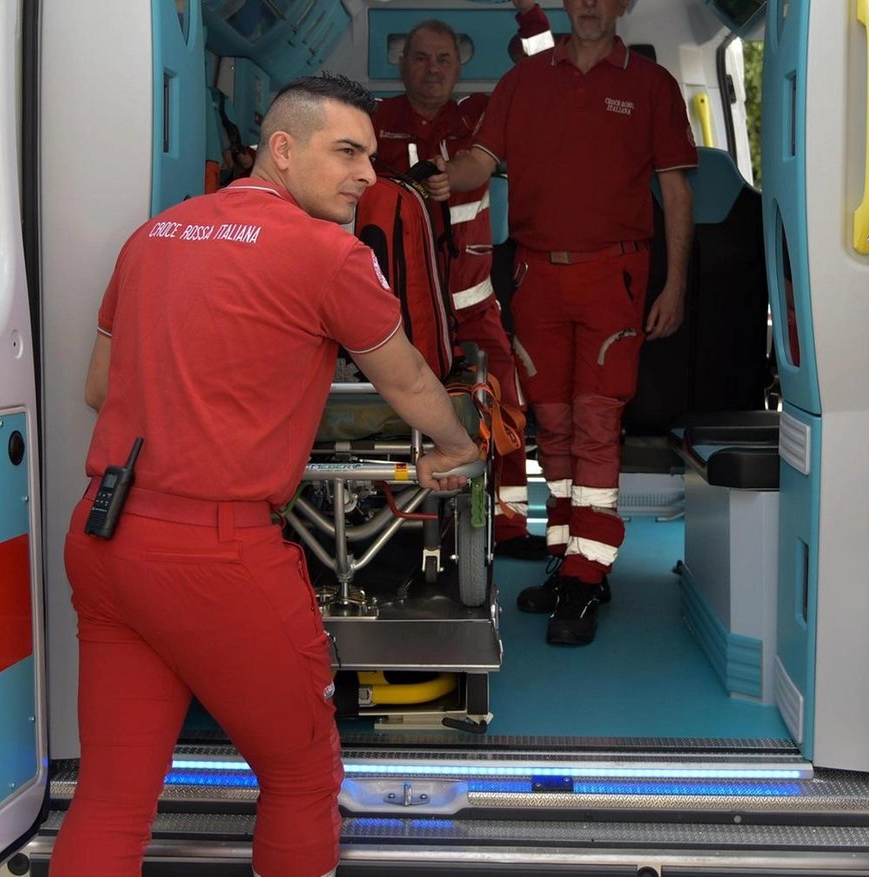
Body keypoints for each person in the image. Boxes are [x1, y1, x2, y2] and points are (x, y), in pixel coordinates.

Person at [55, 72, 481, 877]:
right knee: (302, 774)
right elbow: (410, 383)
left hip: (107, 539)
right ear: (281, 149)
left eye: (373, 156)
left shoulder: (155, 235)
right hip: (216, 559)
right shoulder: (329, 253)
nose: (366, 174)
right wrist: (460, 446)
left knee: (112, 796)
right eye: (347, 152)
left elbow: (99, 388)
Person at [435, 0, 697, 647]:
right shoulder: (522, 83)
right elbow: (480, 160)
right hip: (535, 274)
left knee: (595, 423)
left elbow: (677, 191)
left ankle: (587, 574)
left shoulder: (651, 87)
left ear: (624, 5)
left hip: (614, 275)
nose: (588, 5)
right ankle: (567, 557)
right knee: (551, 425)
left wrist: (677, 283)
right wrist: (443, 176)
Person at [373, 1, 552, 560]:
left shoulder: (480, 117)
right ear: (402, 66)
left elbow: (543, 72)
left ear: (458, 66)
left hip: (472, 304)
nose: (431, 68)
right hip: (395, 309)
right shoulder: (371, 123)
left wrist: (531, 15)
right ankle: (393, 516)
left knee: (507, 405)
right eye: (420, 58)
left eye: (443, 58)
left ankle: (512, 524)